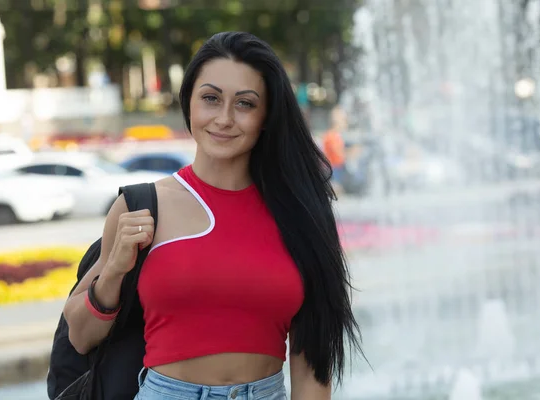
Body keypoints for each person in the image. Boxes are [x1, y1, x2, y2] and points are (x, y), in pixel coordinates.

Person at [63, 31, 363, 400]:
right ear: (188, 101)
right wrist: (113, 273)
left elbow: (312, 364)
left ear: (266, 116)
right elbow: (79, 336)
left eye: (245, 104)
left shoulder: (303, 214)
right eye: (210, 98)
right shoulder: (141, 205)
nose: (224, 118)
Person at [322, 106, 348, 189]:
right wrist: (355, 151)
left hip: (337, 170)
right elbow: (339, 154)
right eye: (344, 120)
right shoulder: (331, 136)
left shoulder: (336, 136)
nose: (346, 122)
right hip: (333, 171)